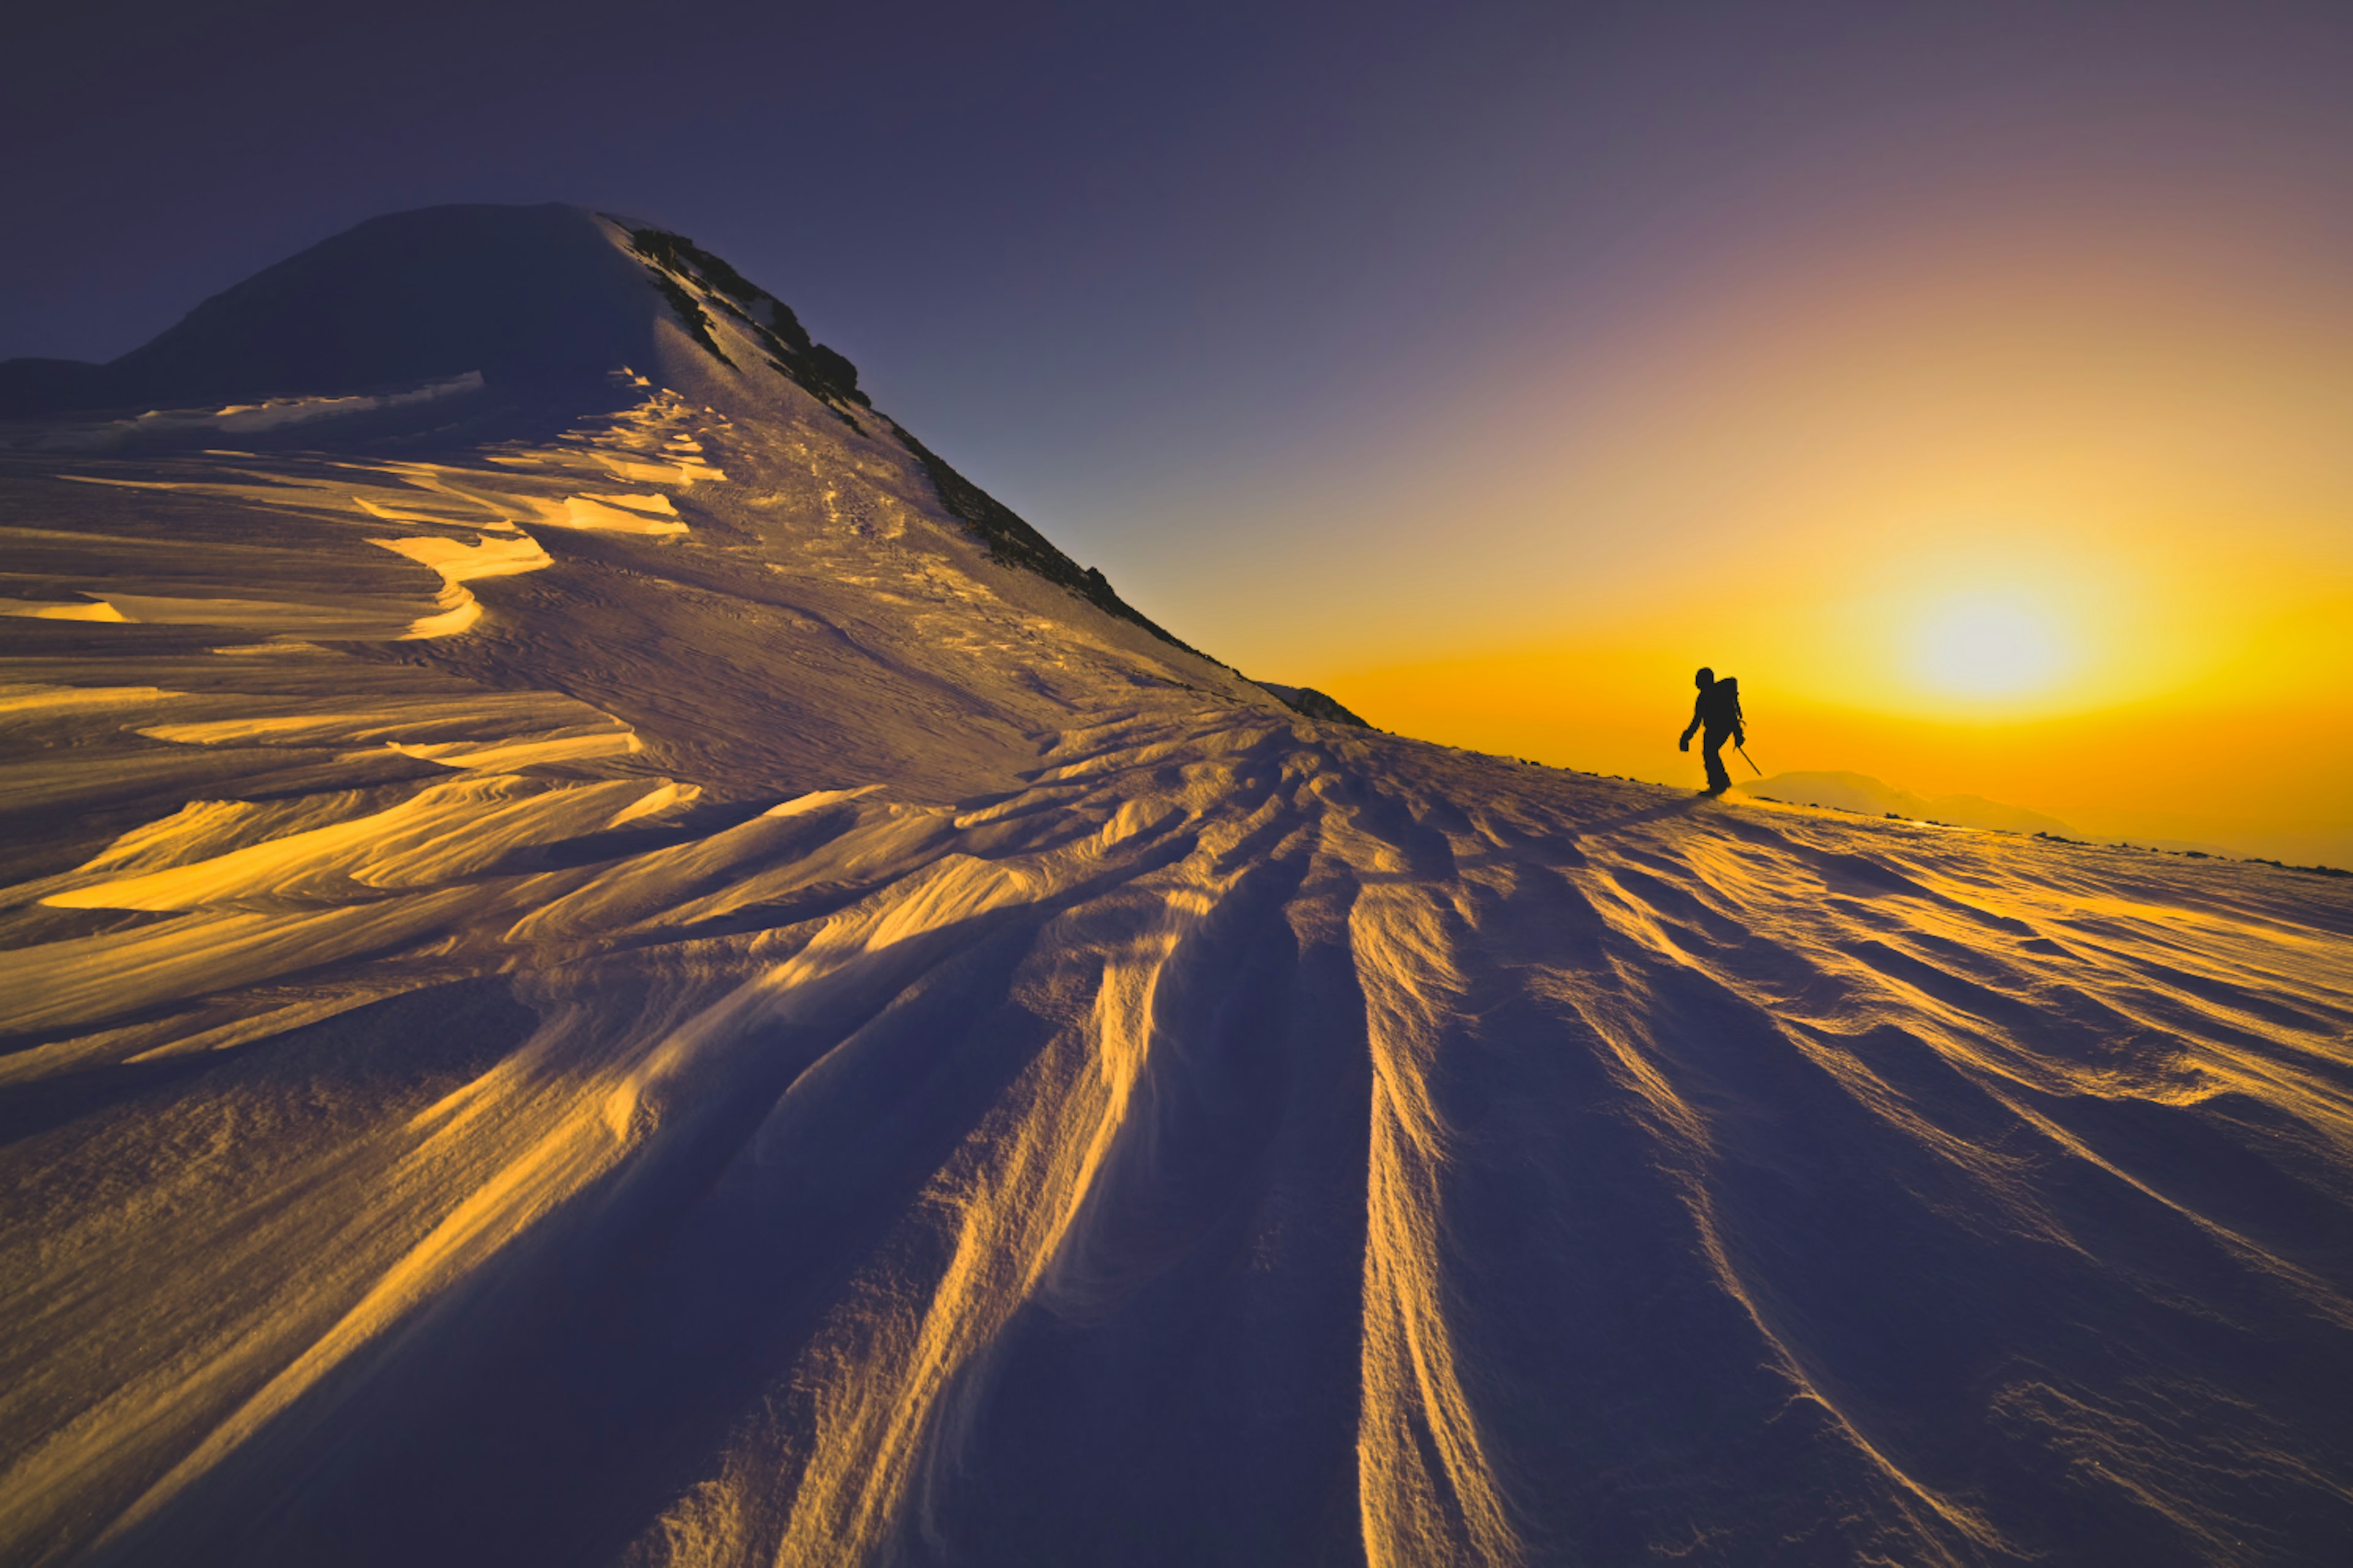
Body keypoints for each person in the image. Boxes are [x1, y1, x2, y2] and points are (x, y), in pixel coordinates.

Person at [1678, 667, 1744, 796]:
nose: (1696, 683)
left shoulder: (1710, 696)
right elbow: (1698, 720)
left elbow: (1698, 721)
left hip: (1718, 728)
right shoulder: (1709, 695)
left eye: (1698, 680)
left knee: (1710, 752)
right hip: (1722, 728)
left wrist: (1686, 738)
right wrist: (1738, 734)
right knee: (1710, 752)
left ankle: (1719, 785)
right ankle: (1721, 782)